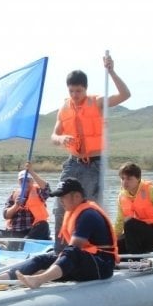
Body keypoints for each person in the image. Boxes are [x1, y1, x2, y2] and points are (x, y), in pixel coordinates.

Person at [51, 54, 131, 250]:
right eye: (71, 91)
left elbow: (125, 94)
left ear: (85, 89)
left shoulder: (96, 102)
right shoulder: (64, 108)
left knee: (86, 207)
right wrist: (61, 139)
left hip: (95, 163)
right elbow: (54, 136)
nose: (75, 95)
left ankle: (91, 249)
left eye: (78, 91)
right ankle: (59, 251)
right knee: (60, 207)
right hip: (73, 163)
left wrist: (111, 71)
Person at [0, 178, 117, 289]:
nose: (61, 201)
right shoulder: (77, 212)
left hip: (102, 265)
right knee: (41, 259)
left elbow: (75, 248)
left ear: (77, 196)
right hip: (85, 261)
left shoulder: (88, 215)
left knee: (71, 252)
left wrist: (45, 271)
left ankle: (39, 279)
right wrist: (46, 264)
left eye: (63, 197)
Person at [0, 162, 51, 242]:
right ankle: (17, 242)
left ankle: (24, 242)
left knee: (43, 225)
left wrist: (31, 172)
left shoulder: (38, 193)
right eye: (22, 181)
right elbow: (6, 215)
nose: (25, 184)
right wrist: (16, 205)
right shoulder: (13, 196)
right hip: (15, 232)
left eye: (27, 181)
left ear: (32, 182)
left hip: (31, 231)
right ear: (19, 182)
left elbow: (46, 189)